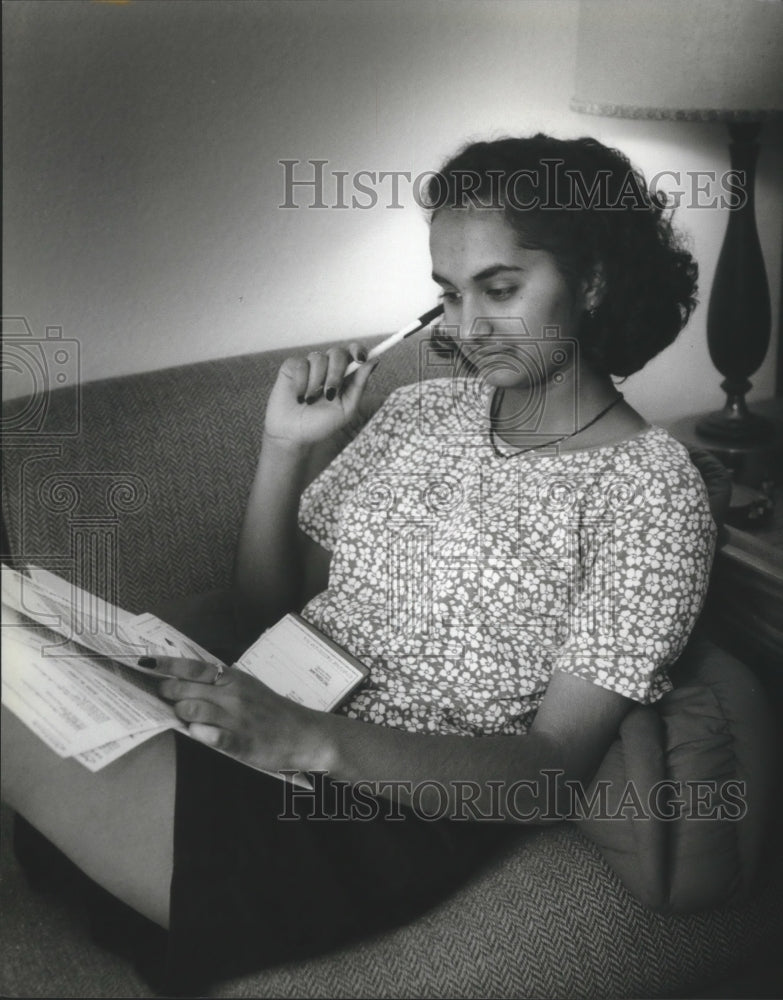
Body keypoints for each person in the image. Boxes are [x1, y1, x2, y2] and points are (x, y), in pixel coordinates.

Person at [1, 134, 714, 991]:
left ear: (592, 280)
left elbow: (551, 771)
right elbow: (270, 611)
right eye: (448, 296)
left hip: (373, 808)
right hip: (263, 724)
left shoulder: (647, 488)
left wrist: (311, 742)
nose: (465, 327)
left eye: (500, 288)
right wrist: (282, 447)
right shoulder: (419, 411)